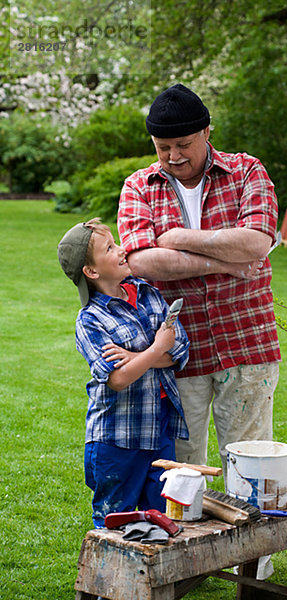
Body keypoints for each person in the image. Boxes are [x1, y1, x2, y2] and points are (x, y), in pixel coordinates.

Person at [118, 83, 281, 479]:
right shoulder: (138, 186)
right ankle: (191, 541)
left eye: (183, 144)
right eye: (162, 147)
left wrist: (176, 239)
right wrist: (226, 262)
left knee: (250, 465)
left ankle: (255, 543)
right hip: (176, 349)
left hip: (247, 342)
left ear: (208, 132)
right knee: (183, 470)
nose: (173, 156)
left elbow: (257, 241)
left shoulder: (247, 171)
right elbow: (141, 262)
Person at [57, 218, 190, 528]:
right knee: (115, 522)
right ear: (91, 272)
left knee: (162, 517)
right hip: (117, 439)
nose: (122, 250)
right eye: (110, 248)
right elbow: (117, 379)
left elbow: (179, 351)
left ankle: (158, 578)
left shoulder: (148, 294)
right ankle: (111, 578)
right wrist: (155, 350)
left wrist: (135, 358)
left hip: (159, 428)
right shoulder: (90, 320)